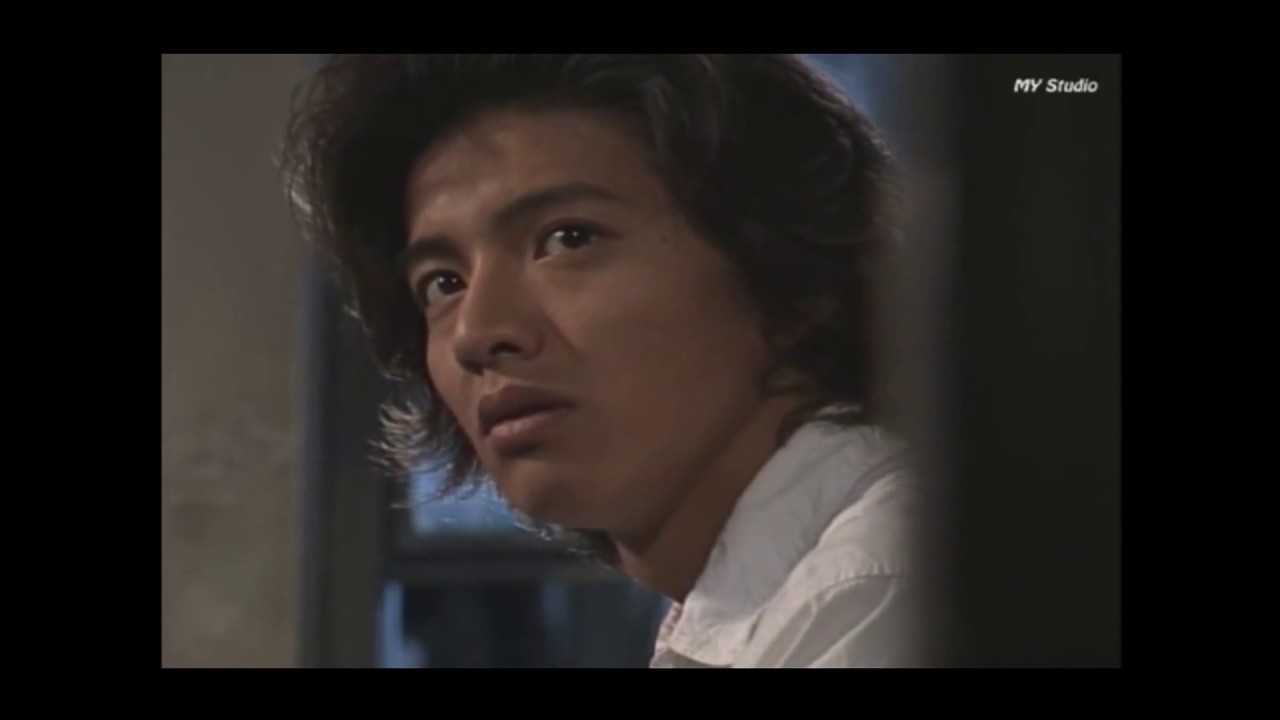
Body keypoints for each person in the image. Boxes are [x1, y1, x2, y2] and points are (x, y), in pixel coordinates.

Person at [281, 54, 921, 668]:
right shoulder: (769, 604)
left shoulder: (877, 591)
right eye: (443, 283)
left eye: (568, 239)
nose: (476, 333)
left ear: (789, 274)